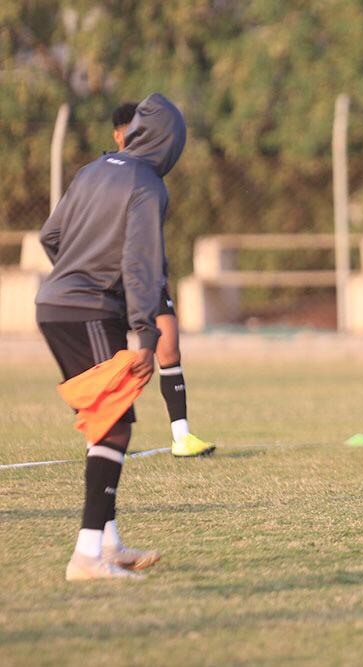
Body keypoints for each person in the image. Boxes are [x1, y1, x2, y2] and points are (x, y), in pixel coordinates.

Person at [37, 93, 185, 580]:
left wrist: (74, 275)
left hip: (53, 305)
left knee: (104, 422)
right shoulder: (147, 183)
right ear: (168, 142)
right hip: (88, 310)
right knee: (115, 424)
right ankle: (85, 557)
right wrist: (142, 331)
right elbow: (140, 263)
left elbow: (50, 237)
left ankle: (108, 541)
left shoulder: (92, 169)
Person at [112, 102, 214, 458]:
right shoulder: (105, 173)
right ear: (118, 135)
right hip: (112, 274)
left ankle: (181, 436)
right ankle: (106, 436)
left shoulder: (150, 174)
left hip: (147, 273)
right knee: (115, 357)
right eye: (129, 131)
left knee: (168, 343)